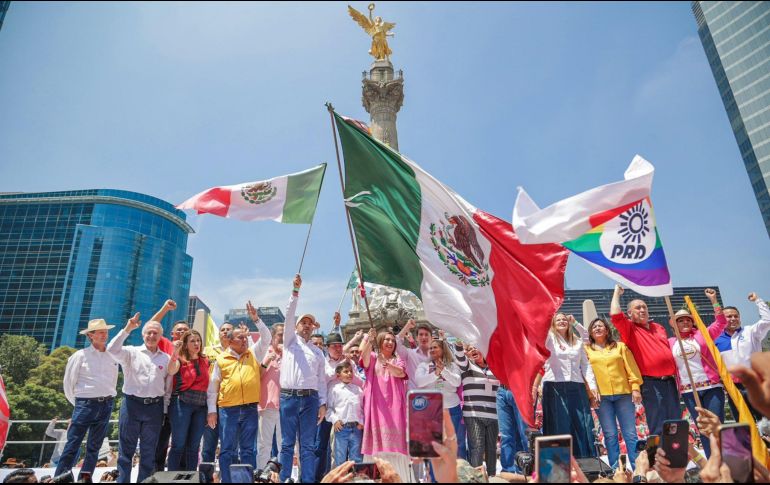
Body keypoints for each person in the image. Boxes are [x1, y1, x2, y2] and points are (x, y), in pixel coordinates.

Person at [206, 300, 271, 483]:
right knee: (227, 449)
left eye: (245, 337)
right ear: (230, 341)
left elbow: (266, 338)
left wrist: (256, 319)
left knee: (248, 450)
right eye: (240, 338)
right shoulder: (221, 359)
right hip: (228, 410)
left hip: (250, 409)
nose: (245, 340)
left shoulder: (253, 353)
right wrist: (212, 411)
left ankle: (245, 481)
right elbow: (213, 388)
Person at [107, 313, 174, 484]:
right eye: (148, 333)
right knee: (125, 452)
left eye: (155, 333)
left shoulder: (166, 358)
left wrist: (164, 410)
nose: (151, 336)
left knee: (149, 453)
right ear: (143, 335)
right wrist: (128, 328)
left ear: (160, 337)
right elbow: (111, 349)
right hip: (132, 405)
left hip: (155, 408)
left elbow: (167, 388)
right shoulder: (131, 352)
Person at [610, 284, 681, 436]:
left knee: (676, 422)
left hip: (670, 382)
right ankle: (658, 451)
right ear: (629, 313)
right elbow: (615, 314)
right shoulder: (629, 328)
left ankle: (676, 450)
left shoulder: (658, 327)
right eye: (638, 308)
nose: (642, 310)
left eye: (644, 307)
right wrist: (616, 292)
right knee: (658, 423)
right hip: (650, 383)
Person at [278, 274, 328, 483]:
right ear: (296, 326)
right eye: (303, 322)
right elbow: (289, 315)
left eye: (310, 323)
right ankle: (284, 480)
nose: (306, 326)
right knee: (287, 444)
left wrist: (322, 404)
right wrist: (295, 292)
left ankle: (307, 481)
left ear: (314, 327)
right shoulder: (289, 341)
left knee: (307, 446)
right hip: (288, 398)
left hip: (310, 400)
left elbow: (321, 380)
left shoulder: (318, 352)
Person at [54, 319, 119, 478]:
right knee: (72, 444)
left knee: (95, 447)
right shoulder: (80, 355)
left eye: (106, 332)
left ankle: (85, 479)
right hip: (85, 404)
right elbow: (68, 383)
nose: (105, 335)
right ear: (90, 335)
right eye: (101, 332)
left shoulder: (113, 356)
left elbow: (113, 381)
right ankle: (61, 479)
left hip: (106, 404)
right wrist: (79, 404)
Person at [577, 317, 643, 470]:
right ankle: (616, 470)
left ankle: (638, 469)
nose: (597, 328)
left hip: (624, 394)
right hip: (601, 398)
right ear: (590, 333)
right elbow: (585, 373)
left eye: (601, 326)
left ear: (607, 330)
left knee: (630, 433)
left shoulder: (620, 347)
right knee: (610, 434)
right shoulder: (586, 350)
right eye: (594, 327)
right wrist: (590, 395)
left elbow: (631, 368)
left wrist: (635, 387)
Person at [669, 289, 726, 458]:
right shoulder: (670, 342)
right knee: (702, 429)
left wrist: (714, 300)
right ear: (674, 324)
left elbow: (721, 322)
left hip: (711, 387)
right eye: (680, 320)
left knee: (715, 426)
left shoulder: (703, 334)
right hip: (689, 391)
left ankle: (724, 463)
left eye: (688, 319)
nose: (685, 322)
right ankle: (712, 463)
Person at [535, 312, 598, 459]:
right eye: (558, 320)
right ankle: (558, 463)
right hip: (554, 385)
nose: (562, 321)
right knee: (559, 424)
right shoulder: (549, 338)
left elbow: (586, 364)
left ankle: (584, 460)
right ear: (552, 323)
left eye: (564, 319)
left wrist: (592, 385)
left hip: (577, 386)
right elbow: (539, 329)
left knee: (582, 423)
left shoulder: (577, 342)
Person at [316, 316, 364, 479]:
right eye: (334, 346)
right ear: (327, 348)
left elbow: (360, 383)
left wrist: (350, 369)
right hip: (328, 408)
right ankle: (324, 478)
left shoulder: (349, 363)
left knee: (354, 455)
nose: (338, 349)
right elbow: (326, 379)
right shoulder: (323, 362)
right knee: (324, 447)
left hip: (350, 416)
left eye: (340, 346)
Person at [360, 327, 411, 480]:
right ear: (380, 341)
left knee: (397, 447)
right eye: (387, 339)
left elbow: (400, 372)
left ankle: (399, 478)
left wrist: (387, 364)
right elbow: (364, 358)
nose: (390, 342)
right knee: (376, 447)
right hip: (376, 406)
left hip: (395, 407)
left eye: (392, 340)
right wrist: (369, 341)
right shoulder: (373, 357)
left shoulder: (398, 359)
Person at [149, 300, 190, 472]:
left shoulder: (193, 349)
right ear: (172, 333)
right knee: (161, 439)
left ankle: (180, 475)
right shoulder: (165, 344)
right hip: (165, 399)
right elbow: (152, 326)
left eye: (185, 330)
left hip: (185, 402)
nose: (181, 332)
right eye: (178, 330)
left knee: (182, 442)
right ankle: (157, 474)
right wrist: (165, 308)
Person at [715, 292, 770, 421]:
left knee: (766, 421)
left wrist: (758, 300)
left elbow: (767, 320)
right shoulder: (716, 339)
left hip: (756, 384)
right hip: (733, 388)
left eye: (736, 316)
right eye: (729, 316)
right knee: (743, 424)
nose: (733, 318)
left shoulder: (751, 331)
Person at [452, 341, 500, 477]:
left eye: (476, 348)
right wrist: (459, 344)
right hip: (473, 415)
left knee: (491, 449)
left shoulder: (495, 367)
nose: (473, 350)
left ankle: (492, 477)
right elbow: (459, 355)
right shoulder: (466, 366)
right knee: (477, 447)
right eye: (470, 349)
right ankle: (476, 478)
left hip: (494, 415)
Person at [415, 337, 467, 460]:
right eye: (431, 348)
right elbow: (419, 382)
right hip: (433, 411)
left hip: (452, 409)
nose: (432, 349)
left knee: (457, 442)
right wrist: (435, 374)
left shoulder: (452, 365)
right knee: (435, 444)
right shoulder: (424, 366)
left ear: (443, 349)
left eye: (435, 347)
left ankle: (460, 469)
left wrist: (443, 371)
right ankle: (436, 472)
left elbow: (456, 382)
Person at [166, 329, 209, 471]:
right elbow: (171, 370)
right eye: (192, 341)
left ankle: (191, 476)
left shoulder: (206, 360)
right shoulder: (180, 359)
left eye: (198, 340)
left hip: (201, 406)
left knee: (194, 446)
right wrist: (175, 353)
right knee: (178, 444)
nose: (196, 343)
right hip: (182, 403)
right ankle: (172, 477)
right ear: (185, 344)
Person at [201, 321, 234, 463]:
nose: (225, 332)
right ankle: (206, 474)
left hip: (231, 403)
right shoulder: (207, 351)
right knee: (208, 446)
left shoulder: (239, 352)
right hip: (210, 402)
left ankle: (226, 474)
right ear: (219, 333)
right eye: (223, 329)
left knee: (230, 446)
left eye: (229, 329)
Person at [327, 361, 365, 465]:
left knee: (356, 459)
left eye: (351, 371)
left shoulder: (358, 390)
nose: (349, 374)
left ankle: (355, 475)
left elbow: (362, 408)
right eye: (346, 371)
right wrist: (335, 420)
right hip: (341, 428)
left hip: (356, 428)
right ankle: (341, 475)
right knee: (340, 457)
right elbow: (329, 408)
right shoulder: (334, 390)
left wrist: (362, 422)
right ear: (338, 375)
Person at [257, 323, 283, 471]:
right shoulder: (264, 351)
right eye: (280, 334)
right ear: (272, 337)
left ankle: (283, 476)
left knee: (284, 445)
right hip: (267, 405)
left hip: (285, 406)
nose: (283, 337)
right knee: (264, 445)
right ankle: (261, 476)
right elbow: (257, 376)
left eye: (284, 334)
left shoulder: (290, 354)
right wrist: (267, 360)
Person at [396, 319, 432, 390]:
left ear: (431, 338)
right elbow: (396, 343)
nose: (423, 337)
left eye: (426, 334)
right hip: (415, 394)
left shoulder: (437, 356)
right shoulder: (409, 353)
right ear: (416, 338)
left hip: (433, 394)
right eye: (421, 334)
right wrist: (407, 326)